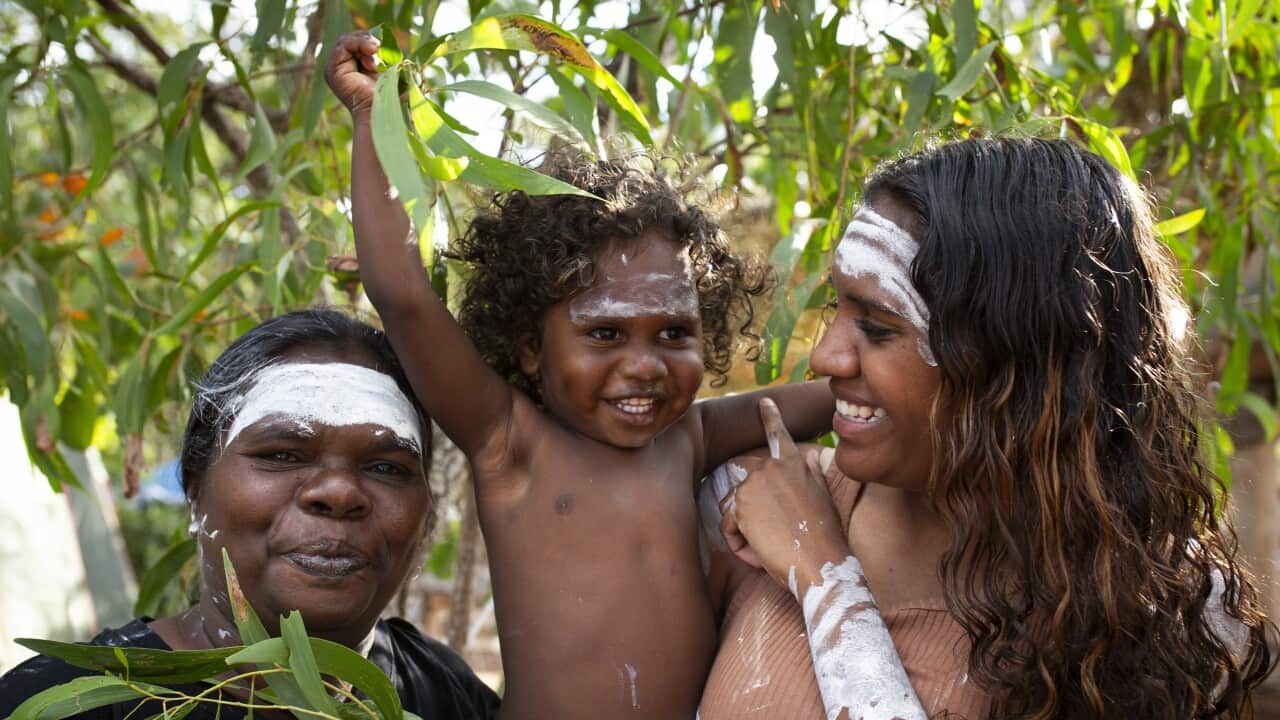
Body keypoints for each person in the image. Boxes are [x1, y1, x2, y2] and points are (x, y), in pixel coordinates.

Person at [324, 32, 835, 720]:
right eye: (604, 333)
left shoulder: (687, 437)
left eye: (674, 333)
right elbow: (404, 295)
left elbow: (838, 393)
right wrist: (371, 117)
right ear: (531, 345)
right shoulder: (510, 444)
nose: (645, 365)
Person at [699, 137, 1274, 719]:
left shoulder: (1167, 610)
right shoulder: (749, 507)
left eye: (877, 328)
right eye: (835, 310)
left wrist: (825, 576)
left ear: (1014, 364)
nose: (825, 358)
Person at [0, 309, 500, 720]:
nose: (340, 492)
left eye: (386, 467)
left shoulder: (445, 695)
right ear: (195, 488)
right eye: (282, 455)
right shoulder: (56, 706)